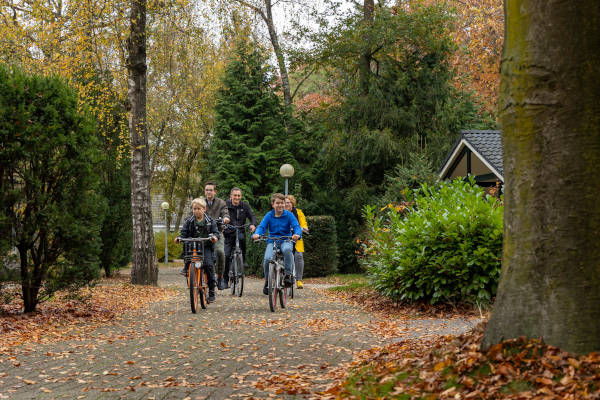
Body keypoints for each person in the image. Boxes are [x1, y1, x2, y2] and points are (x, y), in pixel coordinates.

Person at [252, 193, 301, 295]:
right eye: (278, 203)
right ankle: (267, 281)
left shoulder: (289, 215)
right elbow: (262, 227)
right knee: (267, 258)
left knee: (288, 250)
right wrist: (257, 234)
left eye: (282, 203)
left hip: (285, 240)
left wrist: (297, 234)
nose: (280, 205)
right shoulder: (269, 215)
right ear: (273, 204)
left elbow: (296, 226)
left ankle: (288, 275)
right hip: (272, 241)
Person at [175, 197, 219, 303]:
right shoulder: (189, 221)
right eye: (194, 209)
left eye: (198, 209)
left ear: (204, 209)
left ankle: (212, 291)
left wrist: (214, 237)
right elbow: (184, 232)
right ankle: (186, 267)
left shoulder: (210, 221)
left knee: (209, 266)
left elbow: (216, 232)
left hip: (206, 246)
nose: (196, 211)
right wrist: (179, 238)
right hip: (193, 245)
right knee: (186, 246)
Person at [223, 187, 257, 289]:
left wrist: (253, 224)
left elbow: (252, 216)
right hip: (229, 232)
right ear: (231, 196)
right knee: (227, 255)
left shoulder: (245, 205)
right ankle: (225, 280)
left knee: (242, 240)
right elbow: (222, 215)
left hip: (240, 230)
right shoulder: (226, 205)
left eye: (238, 195)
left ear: (241, 196)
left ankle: (243, 260)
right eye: (235, 195)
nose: (237, 197)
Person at [203, 182, 230, 290]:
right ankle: (189, 269)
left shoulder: (220, 202)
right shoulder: (201, 202)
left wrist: (225, 218)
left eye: (210, 190)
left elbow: (225, 212)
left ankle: (220, 277)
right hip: (202, 233)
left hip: (217, 232)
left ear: (215, 191)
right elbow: (192, 213)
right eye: (207, 190)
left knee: (220, 252)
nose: (208, 192)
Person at [285, 195, 309, 289]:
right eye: (285, 203)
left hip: (296, 238)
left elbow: (303, 223)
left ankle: (299, 280)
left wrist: (304, 228)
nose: (287, 204)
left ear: (292, 203)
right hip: (285, 238)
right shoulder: (281, 213)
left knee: (298, 256)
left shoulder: (299, 212)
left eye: (289, 202)